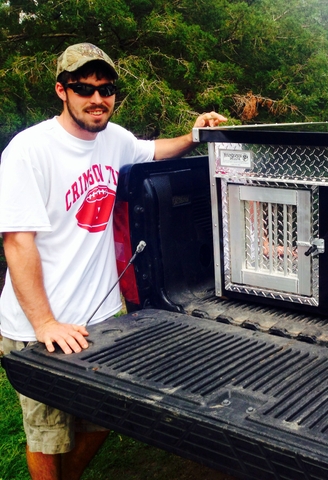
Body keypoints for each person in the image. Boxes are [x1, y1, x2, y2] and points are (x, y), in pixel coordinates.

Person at [0, 43, 227, 480]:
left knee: (103, 417)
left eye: (106, 89)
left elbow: (154, 151)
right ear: (61, 91)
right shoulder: (29, 150)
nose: (97, 98)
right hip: (37, 325)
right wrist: (45, 324)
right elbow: (17, 243)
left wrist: (194, 134)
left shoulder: (115, 139)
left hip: (100, 318)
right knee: (47, 437)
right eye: (83, 88)